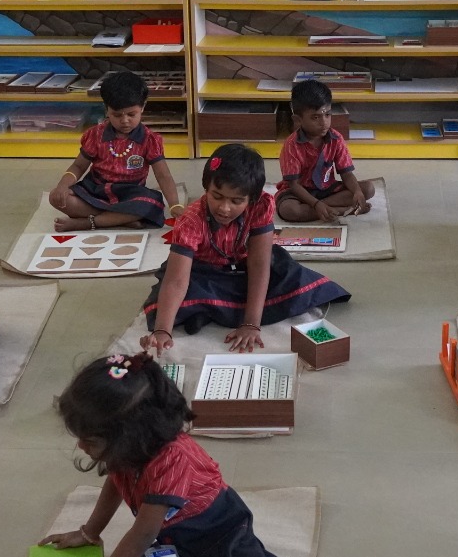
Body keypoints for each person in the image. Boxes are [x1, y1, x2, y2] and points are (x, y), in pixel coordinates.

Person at [39, 353, 311, 557]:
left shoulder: (173, 460)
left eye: (89, 441)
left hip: (218, 533)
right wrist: (89, 532)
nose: (80, 445)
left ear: (130, 435)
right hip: (172, 542)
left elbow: (142, 535)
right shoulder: (131, 446)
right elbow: (115, 483)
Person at [141, 144, 350, 354]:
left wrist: (251, 324)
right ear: (206, 187)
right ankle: (211, 309)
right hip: (204, 272)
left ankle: (210, 311)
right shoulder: (190, 220)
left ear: (253, 198)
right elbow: (177, 280)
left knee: (291, 275)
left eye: (237, 201)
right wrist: (162, 331)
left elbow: (259, 264)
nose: (224, 208)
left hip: (245, 266)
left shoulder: (261, 205)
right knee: (168, 302)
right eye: (217, 196)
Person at [50, 71, 182, 231]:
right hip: (95, 190)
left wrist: (175, 204)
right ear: (106, 110)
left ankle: (89, 222)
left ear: (143, 107)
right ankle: (118, 218)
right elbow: (78, 166)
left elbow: (163, 175)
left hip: (130, 193)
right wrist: (63, 185)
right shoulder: (95, 135)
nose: (125, 120)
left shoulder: (150, 139)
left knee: (151, 204)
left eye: (131, 114)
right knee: (56, 198)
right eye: (117, 115)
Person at [276, 78, 374, 223]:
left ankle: (324, 209)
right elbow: (294, 185)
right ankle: (339, 210)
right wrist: (316, 204)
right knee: (289, 210)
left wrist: (357, 192)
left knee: (368, 189)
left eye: (327, 114)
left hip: (326, 189)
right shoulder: (291, 145)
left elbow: (346, 174)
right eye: (315, 117)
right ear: (298, 119)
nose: (324, 122)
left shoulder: (336, 138)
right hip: (299, 193)